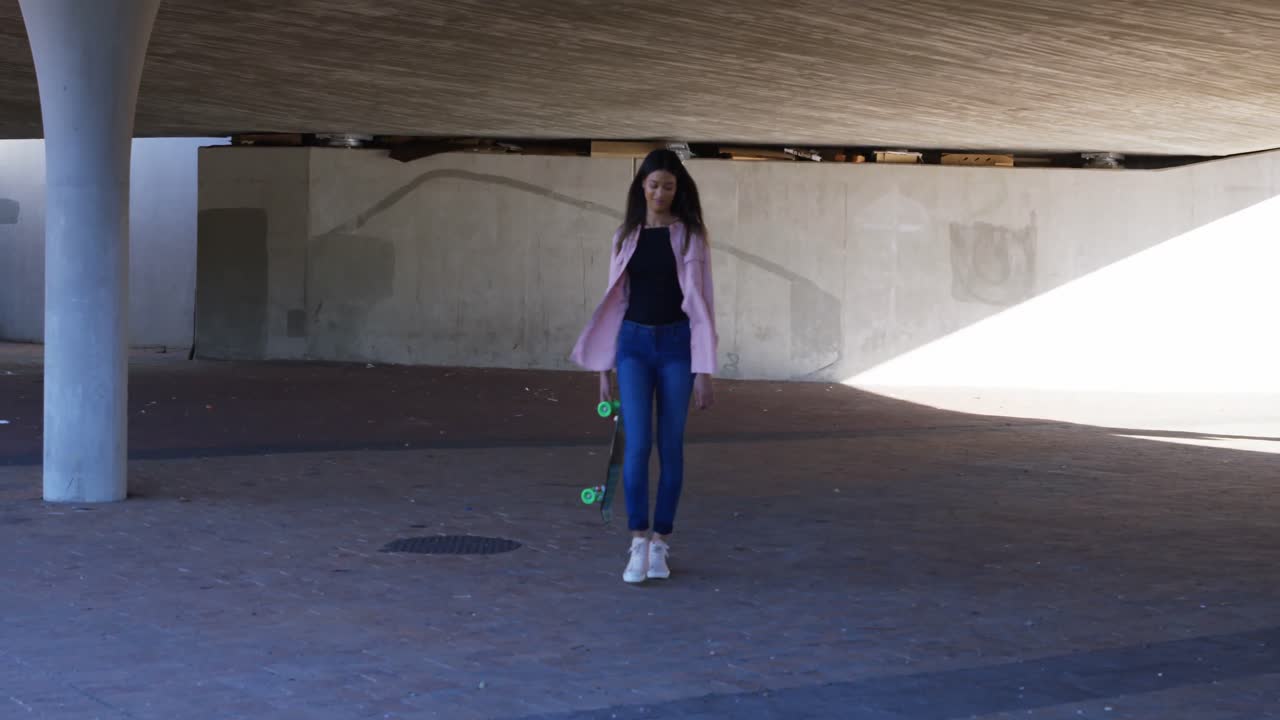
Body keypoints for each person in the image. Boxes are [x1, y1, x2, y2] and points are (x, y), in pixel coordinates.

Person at [570, 149, 717, 584]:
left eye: (668, 186)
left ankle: (660, 542)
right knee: (636, 445)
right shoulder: (625, 236)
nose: (660, 193)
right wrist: (603, 368)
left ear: (678, 189)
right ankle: (637, 540)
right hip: (632, 345)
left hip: (677, 347)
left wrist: (705, 370)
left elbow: (704, 304)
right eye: (653, 185)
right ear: (642, 187)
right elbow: (612, 303)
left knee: (671, 447)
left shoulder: (691, 236)